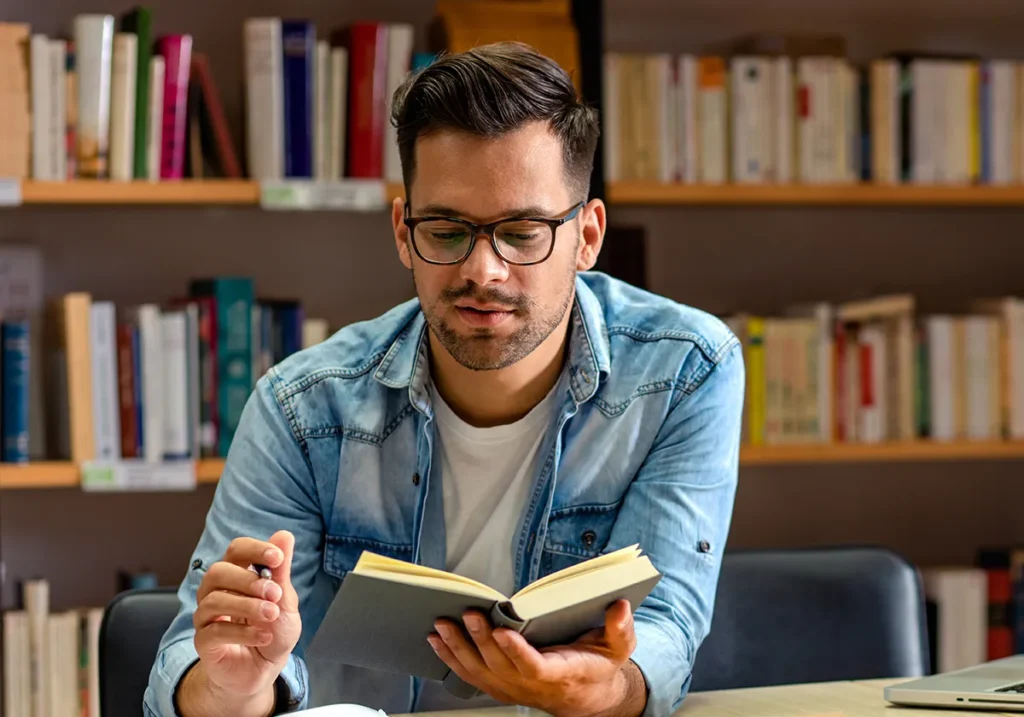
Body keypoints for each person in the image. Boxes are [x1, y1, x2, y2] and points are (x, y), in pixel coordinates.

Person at [145, 41, 744, 717]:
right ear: (404, 231)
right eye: (448, 228)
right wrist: (234, 686)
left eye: (522, 232)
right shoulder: (301, 407)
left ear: (588, 236)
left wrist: (606, 688)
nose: (483, 269)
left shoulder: (686, 369)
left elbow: (664, 627)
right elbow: (189, 668)